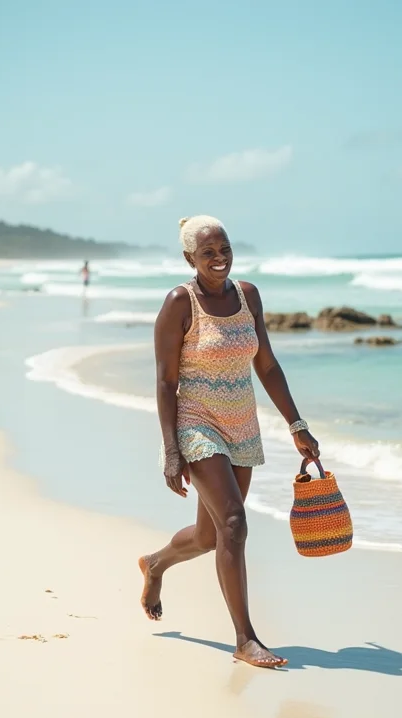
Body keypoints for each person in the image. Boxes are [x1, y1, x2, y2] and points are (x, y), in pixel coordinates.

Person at [139, 215, 320, 669]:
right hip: (195, 423)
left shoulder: (248, 296)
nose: (218, 259)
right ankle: (245, 639)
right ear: (189, 259)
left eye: (224, 250)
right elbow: (164, 382)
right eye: (207, 254)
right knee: (234, 523)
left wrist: (297, 425)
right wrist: (172, 451)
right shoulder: (181, 303)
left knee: (208, 535)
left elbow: (268, 366)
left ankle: (155, 564)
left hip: (241, 423)